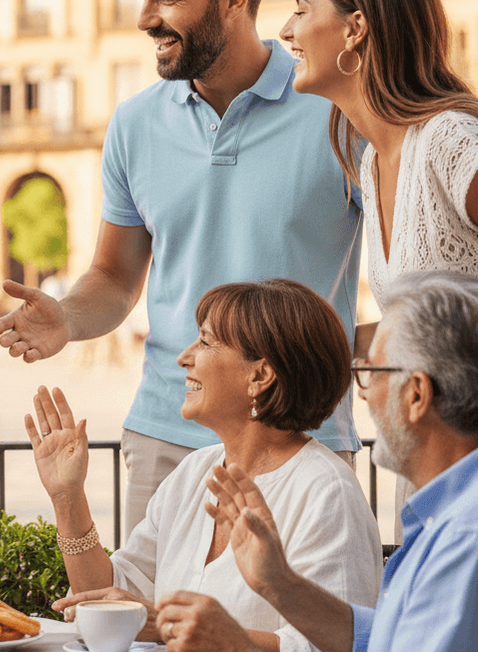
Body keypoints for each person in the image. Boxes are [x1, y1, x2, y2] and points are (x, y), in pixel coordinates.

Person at [0, 0, 363, 535]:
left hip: (302, 438)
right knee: (154, 629)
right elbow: (113, 277)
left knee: (290, 629)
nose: (144, 19)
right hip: (166, 432)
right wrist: (68, 318)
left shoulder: (335, 112)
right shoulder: (134, 124)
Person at [28, 279, 382, 652]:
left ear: (259, 376)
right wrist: (68, 498)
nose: (184, 357)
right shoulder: (193, 472)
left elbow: (338, 645)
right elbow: (106, 602)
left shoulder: (327, 493)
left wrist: (182, 631)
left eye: (206, 342)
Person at [168, 270, 478, 652]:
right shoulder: (463, 514)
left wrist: (239, 644)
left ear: (416, 395)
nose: (362, 395)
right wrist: (280, 584)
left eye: (371, 372)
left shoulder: (473, 534)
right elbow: (392, 637)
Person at [279, 0, 478, 357]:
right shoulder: (371, 164)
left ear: (355, 28)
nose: (286, 30)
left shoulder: (451, 141)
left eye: (301, 9)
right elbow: (424, 331)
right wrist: (304, 354)